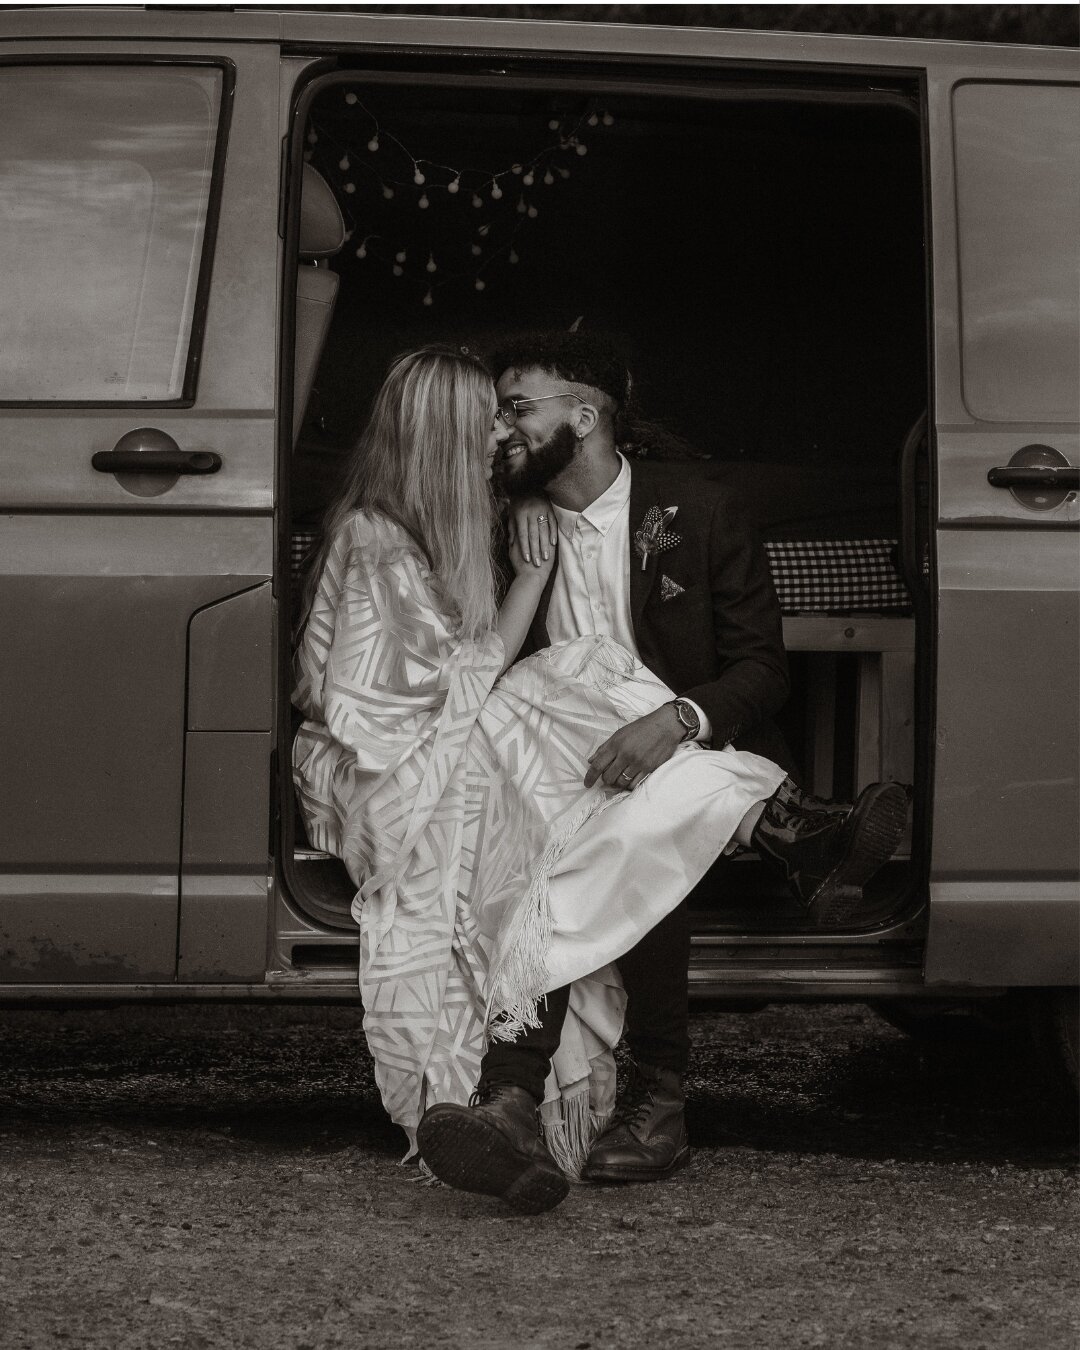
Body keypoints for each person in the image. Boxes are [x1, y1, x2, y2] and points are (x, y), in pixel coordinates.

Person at [292, 344, 905, 1217]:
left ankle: (545, 1098)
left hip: (674, 748)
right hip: (558, 760)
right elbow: (472, 654)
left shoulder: (697, 509)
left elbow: (763, 669)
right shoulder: (496, 516)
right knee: (593, 783)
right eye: (491, 417)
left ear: (581, 416)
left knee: (630, 821)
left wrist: (676, 721)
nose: (499, 430)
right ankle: (789, 830)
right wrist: (523, 538)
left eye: (516, 410)